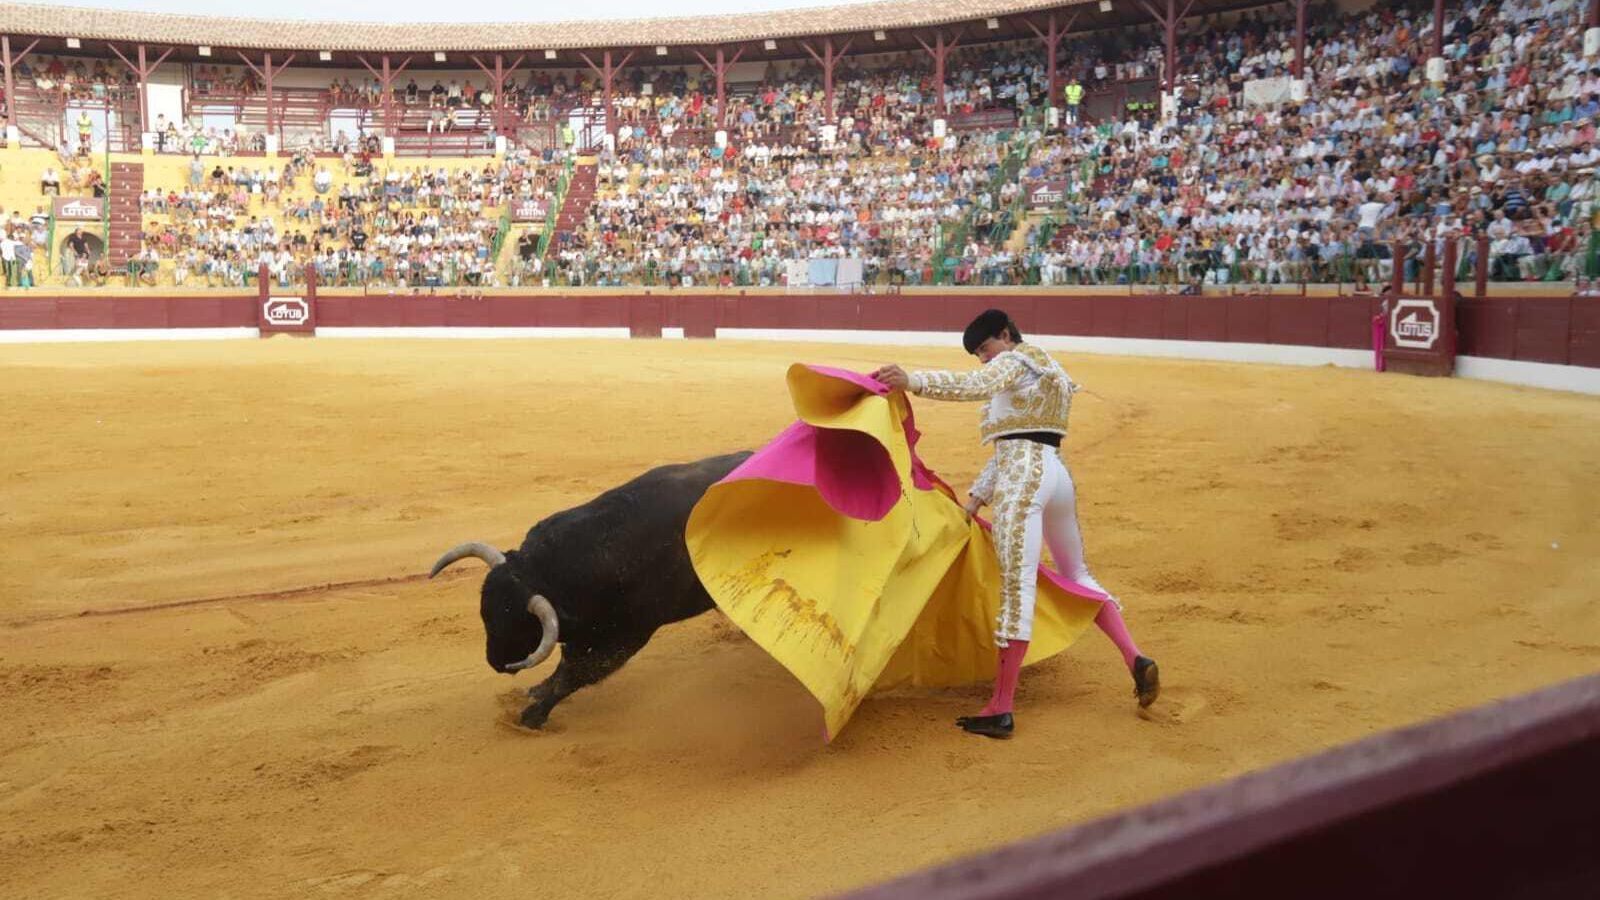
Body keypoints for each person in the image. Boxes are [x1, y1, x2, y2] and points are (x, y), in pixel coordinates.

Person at [872, 309, 1158, 738]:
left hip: (1023, 479)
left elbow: (976, 389)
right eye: (979, 355)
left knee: (1017, 585)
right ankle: (1134, 656)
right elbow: (1019, 441)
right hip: (1055, 474)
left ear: (1005, 335)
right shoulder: (1051, 368)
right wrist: (974, 500)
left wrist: (911, 380)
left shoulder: (1012, 360)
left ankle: (1000, 708)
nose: (984, 360)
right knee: (1077, 573)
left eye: (985, 349)